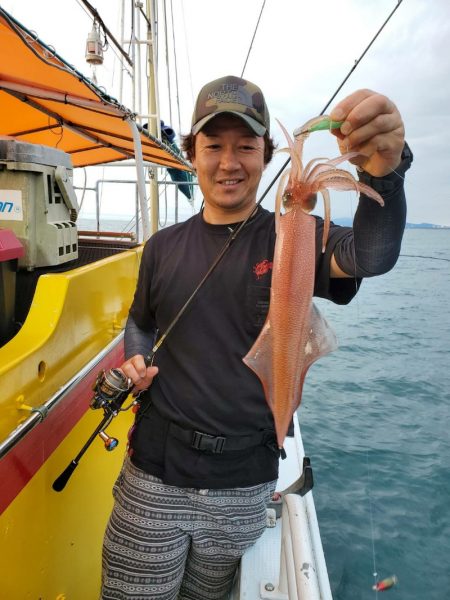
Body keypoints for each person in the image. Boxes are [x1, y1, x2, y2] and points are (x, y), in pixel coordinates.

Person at [101, 75, 412, 599]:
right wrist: (135, 360)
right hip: (155, 473)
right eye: (213, 146)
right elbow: (141, 322)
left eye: (246, 146)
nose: (229, 162)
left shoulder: (297, 234)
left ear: (266, 155)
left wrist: (387, 175)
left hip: (245, 481)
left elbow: (370, 256)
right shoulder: (160, 248)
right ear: (190, 154)